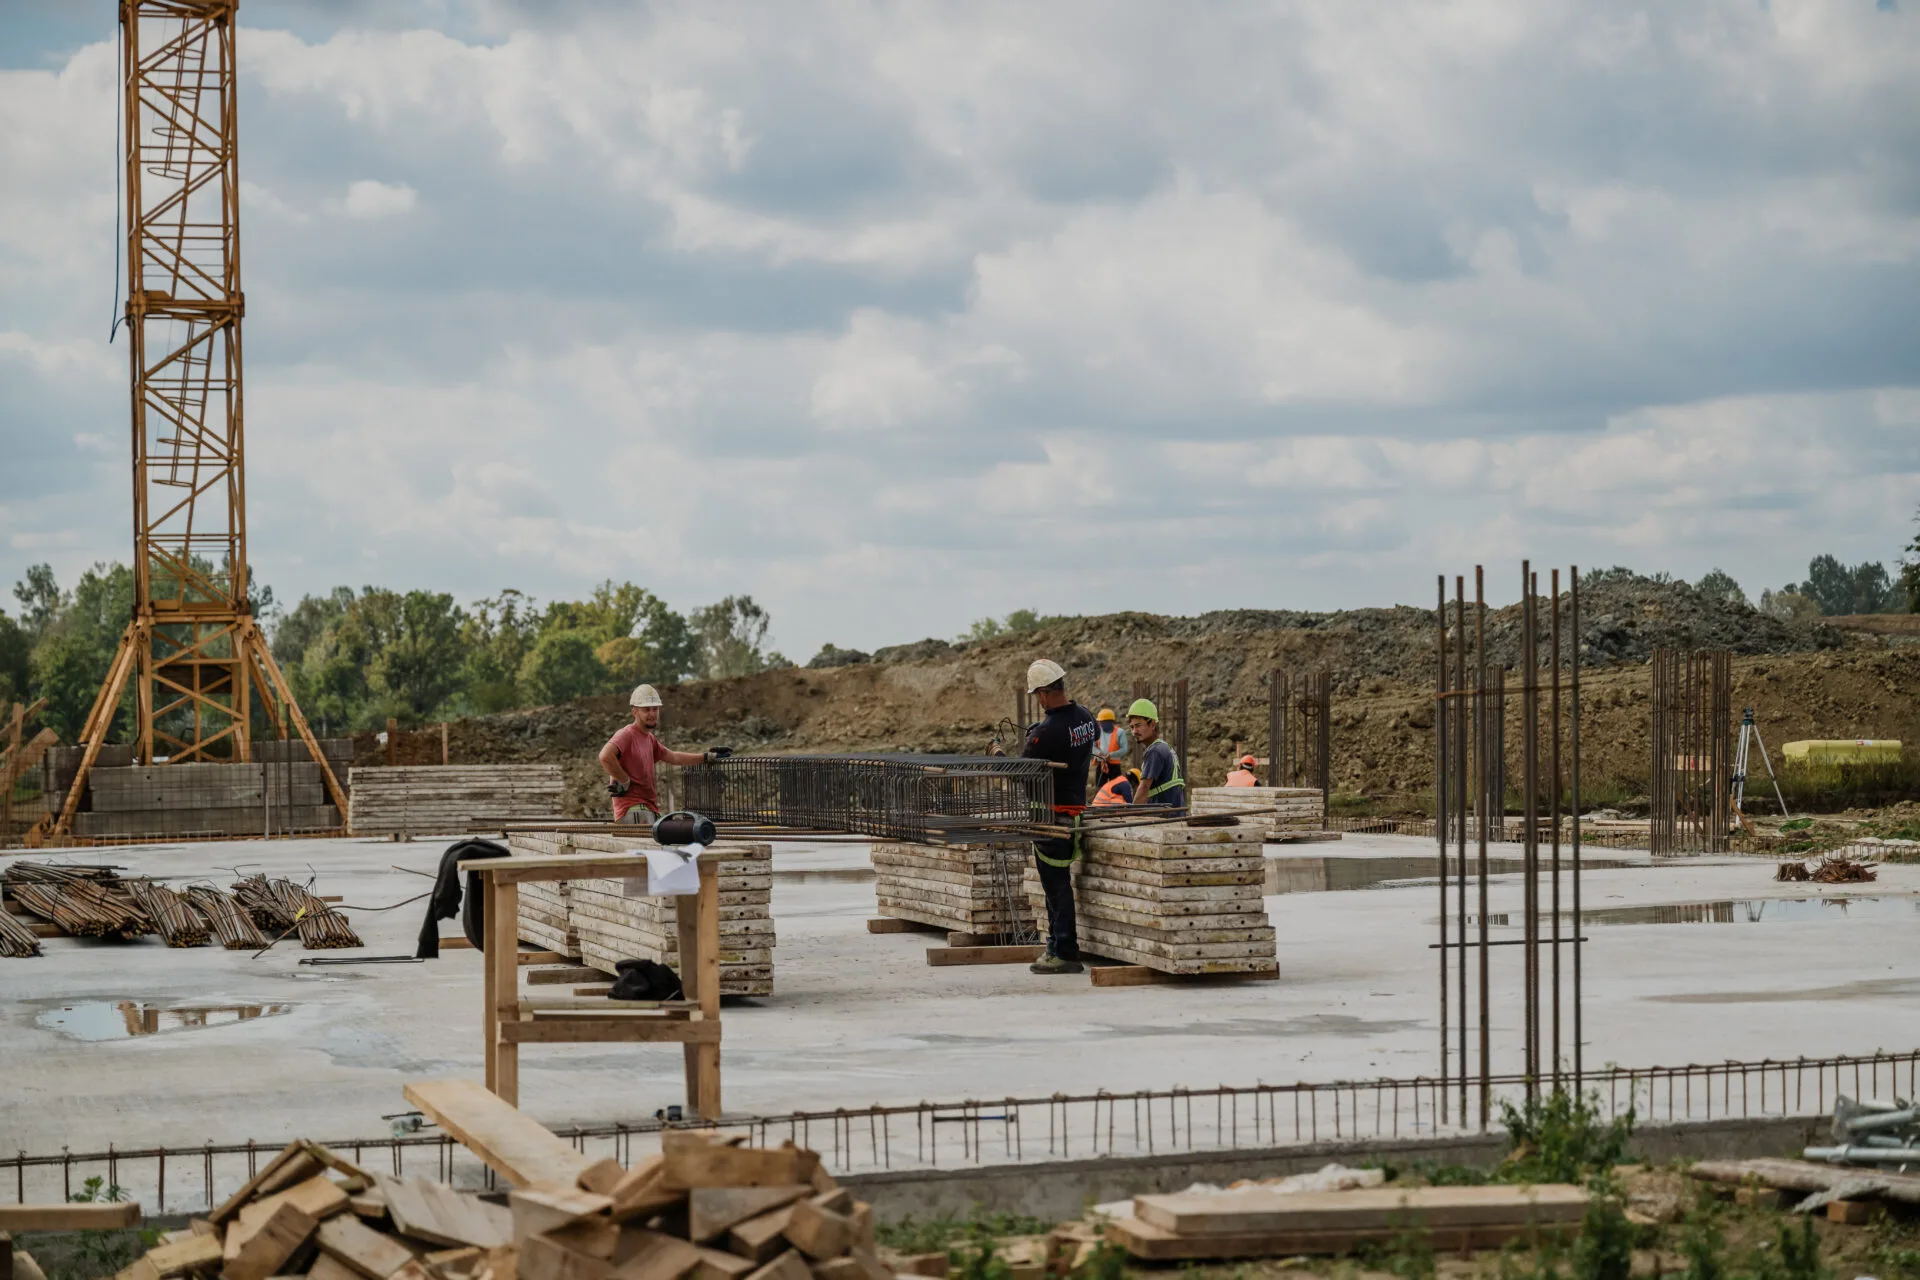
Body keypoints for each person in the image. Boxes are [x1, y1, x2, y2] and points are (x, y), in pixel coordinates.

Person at [1020, 658, 1097, 975]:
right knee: (1059, 884)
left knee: (1056, 887)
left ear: (1043, 693)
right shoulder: (1085, 717)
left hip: (1051, 818)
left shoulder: (1046, 733)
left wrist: (999, 754)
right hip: (1075, 810)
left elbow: (1021, 773)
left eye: (1037, 696)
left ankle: (1064, 951)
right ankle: (1057, 947)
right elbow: (1077, 738)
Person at [598, 684, 723, 824]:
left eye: (655, 709)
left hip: (646, 810)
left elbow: (674, 757)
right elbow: (605, 756)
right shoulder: (627, 734)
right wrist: (624, 780)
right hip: (633, 810)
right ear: (635, 712)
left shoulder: (650, 739)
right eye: (646, 709)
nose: (652, 714)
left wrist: (707, 757)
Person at [1127, 698, 1186, 808]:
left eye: (1138, 725)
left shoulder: (1155, 751)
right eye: (1132, 727)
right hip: (1174, 812)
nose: (1134, 731)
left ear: (1153, 724)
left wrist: (1131, 814)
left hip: (1165, 815)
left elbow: (1144, 788)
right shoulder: (1164, 747)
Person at [1090, 707, 1129, 786]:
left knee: (1116, 788)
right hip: (1101, 764)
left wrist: (1111, 755)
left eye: (1102, 722)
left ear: (1110, 721)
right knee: (1100, 788)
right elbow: (1092, 746)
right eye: (1100, 722)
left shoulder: (1119, 732)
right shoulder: (1097, 731)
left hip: (1114, 766)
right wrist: (1098, 753)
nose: (1100, 724)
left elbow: (1124, 749)